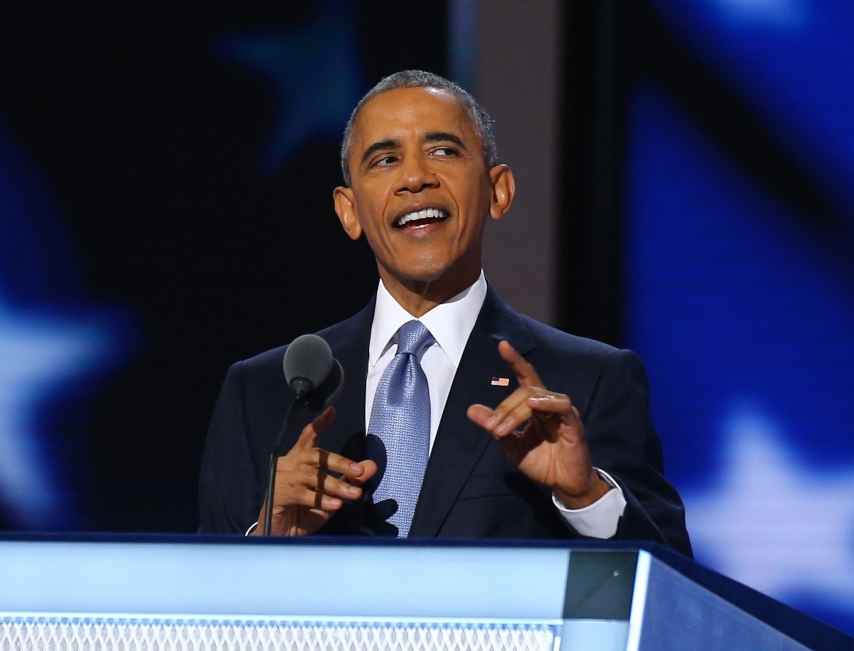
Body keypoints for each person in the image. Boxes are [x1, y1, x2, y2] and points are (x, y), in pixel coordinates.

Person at [198, 70, 691, 556]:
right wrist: (265, 537)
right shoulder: (263, 393)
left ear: (498, 191)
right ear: (348, 211)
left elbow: (676, 601)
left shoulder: (587, 382)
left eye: (443, 151)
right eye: (385, 159)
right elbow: (199, 606)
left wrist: (585, 496)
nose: (415, 178)